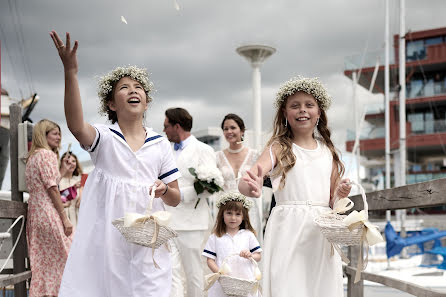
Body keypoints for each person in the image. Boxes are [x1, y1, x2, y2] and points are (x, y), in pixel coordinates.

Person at [50, 30, 181, 297]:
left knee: (152, 289)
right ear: (111, 103)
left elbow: (176, 198)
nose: (133, 90)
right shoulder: (105, 138)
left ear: (146, 103)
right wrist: (70, 72)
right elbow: (75, 125)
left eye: (139, 88)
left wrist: (164, 190)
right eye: (124, 88)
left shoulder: (160, 144)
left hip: (148, 239)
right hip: (108, 239)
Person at [238, 76, 352, 297]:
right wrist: (250, 185)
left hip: (320, 232)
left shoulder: (328, 152)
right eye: (295, 106)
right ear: (285, 113)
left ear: (319, 113)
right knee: (288, 285)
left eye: (309, 105)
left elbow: (334, 202)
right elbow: (250, 178)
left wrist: (340, 194)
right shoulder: (279, 147)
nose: (303, 110)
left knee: (320, 287)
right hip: (287, 229)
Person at [163, 107, 218, 297]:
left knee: (194, 273)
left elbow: (210, 187)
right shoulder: (168, 151)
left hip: (192, 224)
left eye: (166, 126)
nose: (164, 131)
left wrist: (176, 195)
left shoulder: (204, 150)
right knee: (171, 272)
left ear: (177, 126)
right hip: (168, 222)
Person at [25, 119, 73, 297]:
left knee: (44, 266)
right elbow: (52, 189)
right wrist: (64, 218)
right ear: (43, 135)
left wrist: (61, 170)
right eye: (55, 133)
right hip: (48, 213)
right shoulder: (47, 155)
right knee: (67, 259)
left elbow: (47, 183)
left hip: (35, 215)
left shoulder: (33, 157)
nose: (59, 137)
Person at [202, 192, 262, 297]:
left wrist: (250, 255)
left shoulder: (248, 235)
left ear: (243, 216)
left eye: (238, 214)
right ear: (222, 214)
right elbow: (210, 260)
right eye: (229, 213)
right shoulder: (216, 236)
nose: (233, 218)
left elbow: (258, 256)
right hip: (223, 282)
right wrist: (220, 273)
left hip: (245, 280)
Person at [216, 114, 262, 244]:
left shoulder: (255, 155)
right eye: (225, 129)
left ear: (241, 131)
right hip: (225, 209)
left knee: (249, 247)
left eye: (233, 128)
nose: (229, 132)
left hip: (249, 209)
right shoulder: (217, 156)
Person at [59, 151, 83, 227]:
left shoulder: (79, 181)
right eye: (68, 161)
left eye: (74, 161)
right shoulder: (58, 181)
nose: (71, 163)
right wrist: (73, 188)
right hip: (62, 220)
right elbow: (61, 197)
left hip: (77, 220)